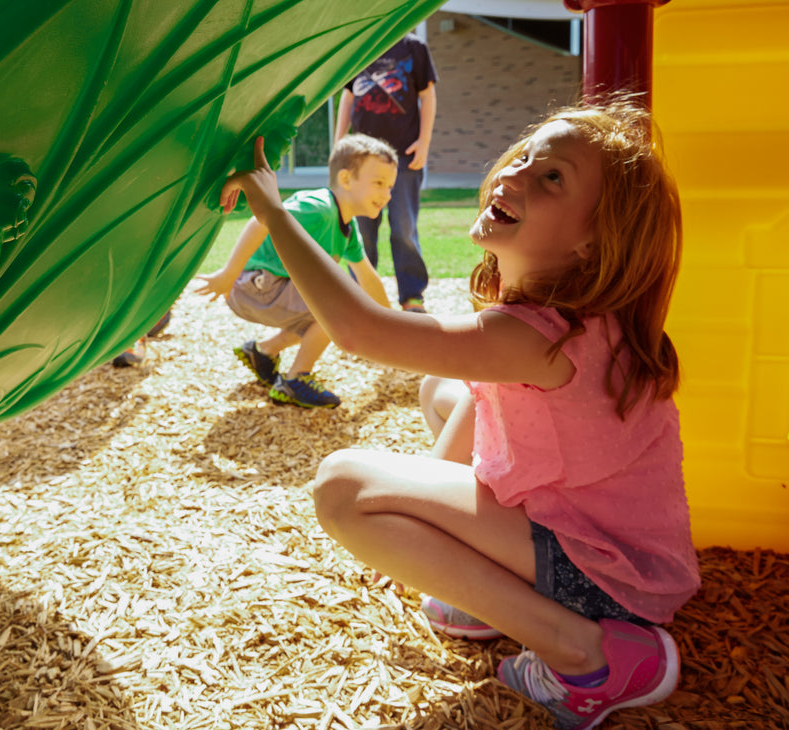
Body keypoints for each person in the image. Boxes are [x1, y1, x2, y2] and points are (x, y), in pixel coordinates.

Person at [218, 97, 700, 729]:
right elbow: (478, 398)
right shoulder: (579, 320)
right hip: (617, 551)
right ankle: (481, 594)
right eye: (525, 157)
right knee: (445, 390)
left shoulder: (539, 336)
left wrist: (274, 212)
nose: (516, 173)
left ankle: (586, 656)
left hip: (603, 584)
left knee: (343, 488)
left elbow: (361, 330)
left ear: (593, 239)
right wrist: (436, 544)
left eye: (552, 177)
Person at [196, 134, 394, 408]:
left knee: (325, 313)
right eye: (379, 184)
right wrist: (229, 274)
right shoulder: (319, 208)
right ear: (347, 180)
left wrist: (393, 328)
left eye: (390, 187)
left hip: (269, 290)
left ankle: (263, 352)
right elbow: (261, 220)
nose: (387, 194)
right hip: (255, 285)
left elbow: (367, 277)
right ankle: (295, 380)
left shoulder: (347, 227)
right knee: (338, 305)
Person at [335, 32, 438, 313]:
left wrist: (424, 143)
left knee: (404, 228)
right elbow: (347, 96)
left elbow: (427, 95)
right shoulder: (360, 42)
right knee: (362, 232)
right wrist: (339, 141)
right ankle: (360, 296)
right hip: (360, 161)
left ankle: (412, 296)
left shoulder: (414, 47)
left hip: (404, 157)